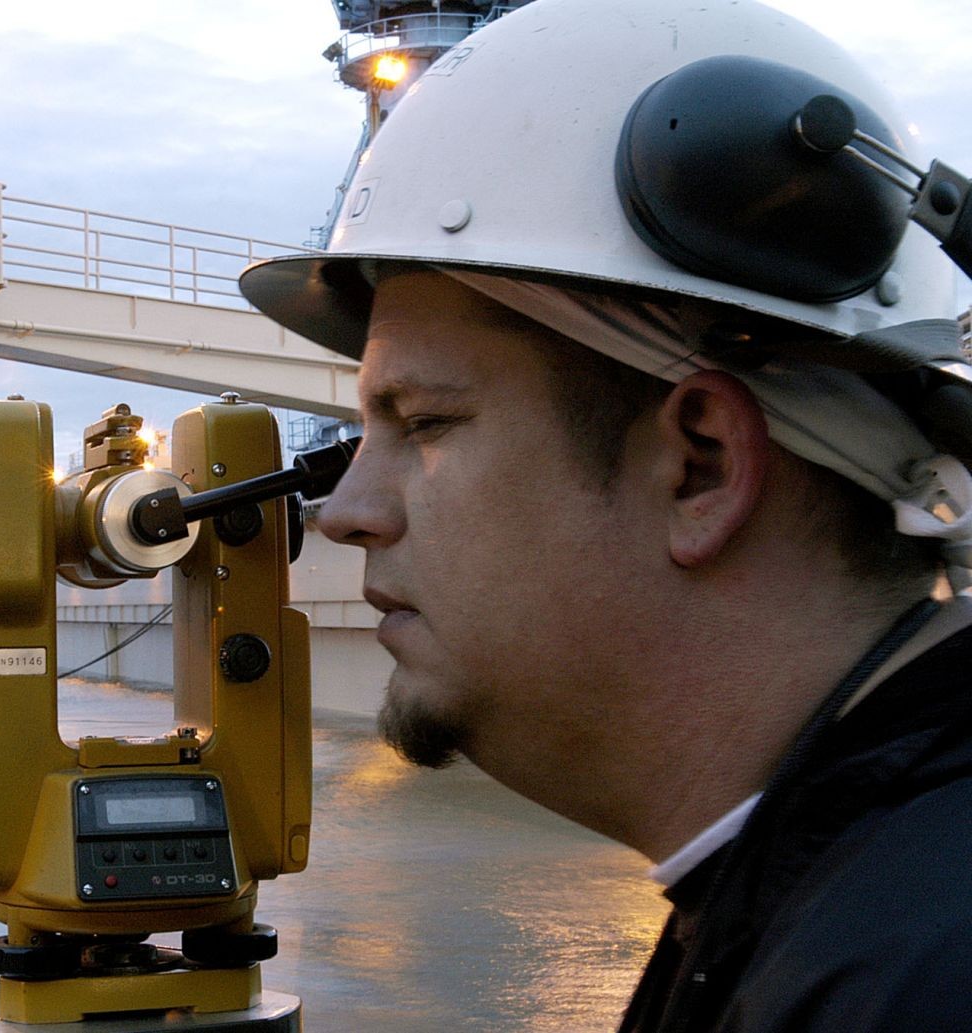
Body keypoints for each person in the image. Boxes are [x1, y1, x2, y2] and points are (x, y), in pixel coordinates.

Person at [238, 1, 972, 1030]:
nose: (347, 512)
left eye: (425, 421)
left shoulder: (909, 978)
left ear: (700, 466)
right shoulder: (824, 909)